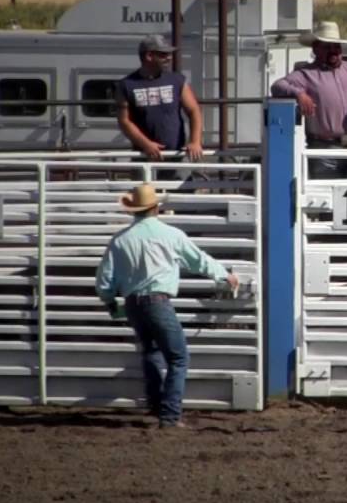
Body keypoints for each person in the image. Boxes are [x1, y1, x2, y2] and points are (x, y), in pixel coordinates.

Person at [95, 183, 240, 429]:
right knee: (178, 358)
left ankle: (155, 405)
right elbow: (198, 260)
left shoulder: (119, 240)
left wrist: (110, 301)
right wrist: (224, 275)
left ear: (133, 210)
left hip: (133, 304)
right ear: (156, 208)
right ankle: (170, 415)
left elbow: (104, 279)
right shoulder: (171, 235)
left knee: (151, 352)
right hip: (157, 301)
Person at [271, 21, 347, 179]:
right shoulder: (305, 74)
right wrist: (299, 94)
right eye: (327, 47)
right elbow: (277, 86)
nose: (333, 51)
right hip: (324, 148)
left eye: (336, 46)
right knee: (326, 191)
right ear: (315, 49)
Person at [116, 34, 205, 162]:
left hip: (176, 155)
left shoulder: (177, 80)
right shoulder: (126, 85)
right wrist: (146, 144)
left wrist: (195, 141)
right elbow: (124, 121)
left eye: (169, 54)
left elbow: (194, 110)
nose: (169, 57)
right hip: (143, 156)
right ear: (149, 56)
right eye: (163, 54)